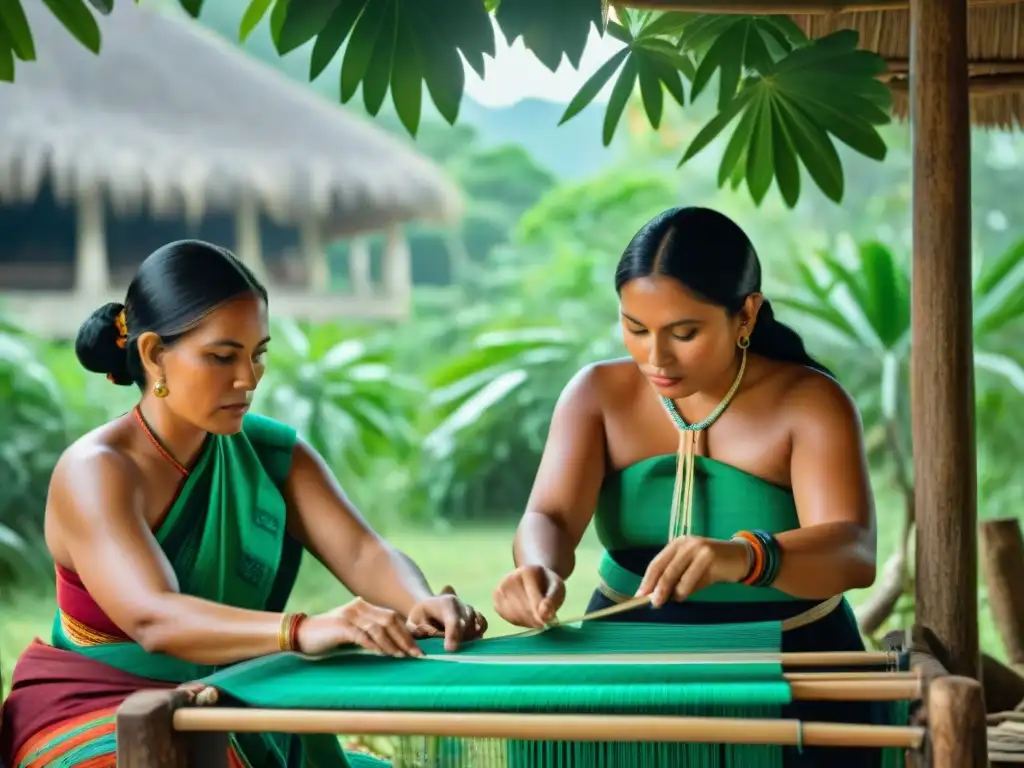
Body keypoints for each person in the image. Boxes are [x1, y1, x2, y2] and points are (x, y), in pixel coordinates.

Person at [0, 240, 487, 768]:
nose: (248, 379)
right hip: (99, 713)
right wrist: (303, 630)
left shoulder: (273, 453)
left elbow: (364, 553)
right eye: (221, 356)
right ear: (153, 355)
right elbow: (153, 617)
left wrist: (418, 602)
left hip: (232, 700)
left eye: (258, 354)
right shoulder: (96, 470)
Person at [492, 207, 881, 766]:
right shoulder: (597, 394)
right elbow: (548, 515)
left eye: (684, 333)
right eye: (636, 329)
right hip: (627, 667)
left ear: (745, 314)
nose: (657, 358)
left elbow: (854, 550)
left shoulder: (810, 402)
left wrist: (743, 556)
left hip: (792, 670)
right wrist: (537, 566)